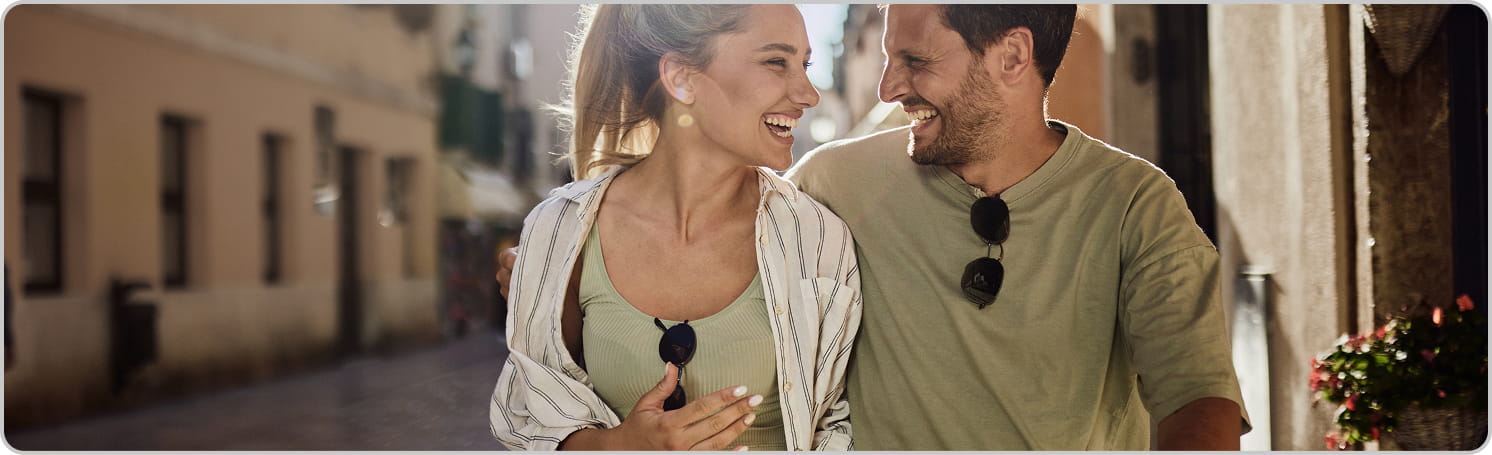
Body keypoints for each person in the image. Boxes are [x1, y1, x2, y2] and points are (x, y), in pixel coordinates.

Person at [501, 4, 1249, 450]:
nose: (889, 87)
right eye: (886, 56)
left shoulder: (1133, 204)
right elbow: (706, 211)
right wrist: (552, 259)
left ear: (1013, 56)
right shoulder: (832, 185)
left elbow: (1200, 401)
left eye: (915, 61)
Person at [489, 4, 861, 452]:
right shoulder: (562, 233)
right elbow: (532, 417)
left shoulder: (817, 238)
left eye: (805, 64)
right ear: (682, 78)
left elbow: (838, 426)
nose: (808, 94)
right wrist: (616, 446)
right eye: (776, 62)